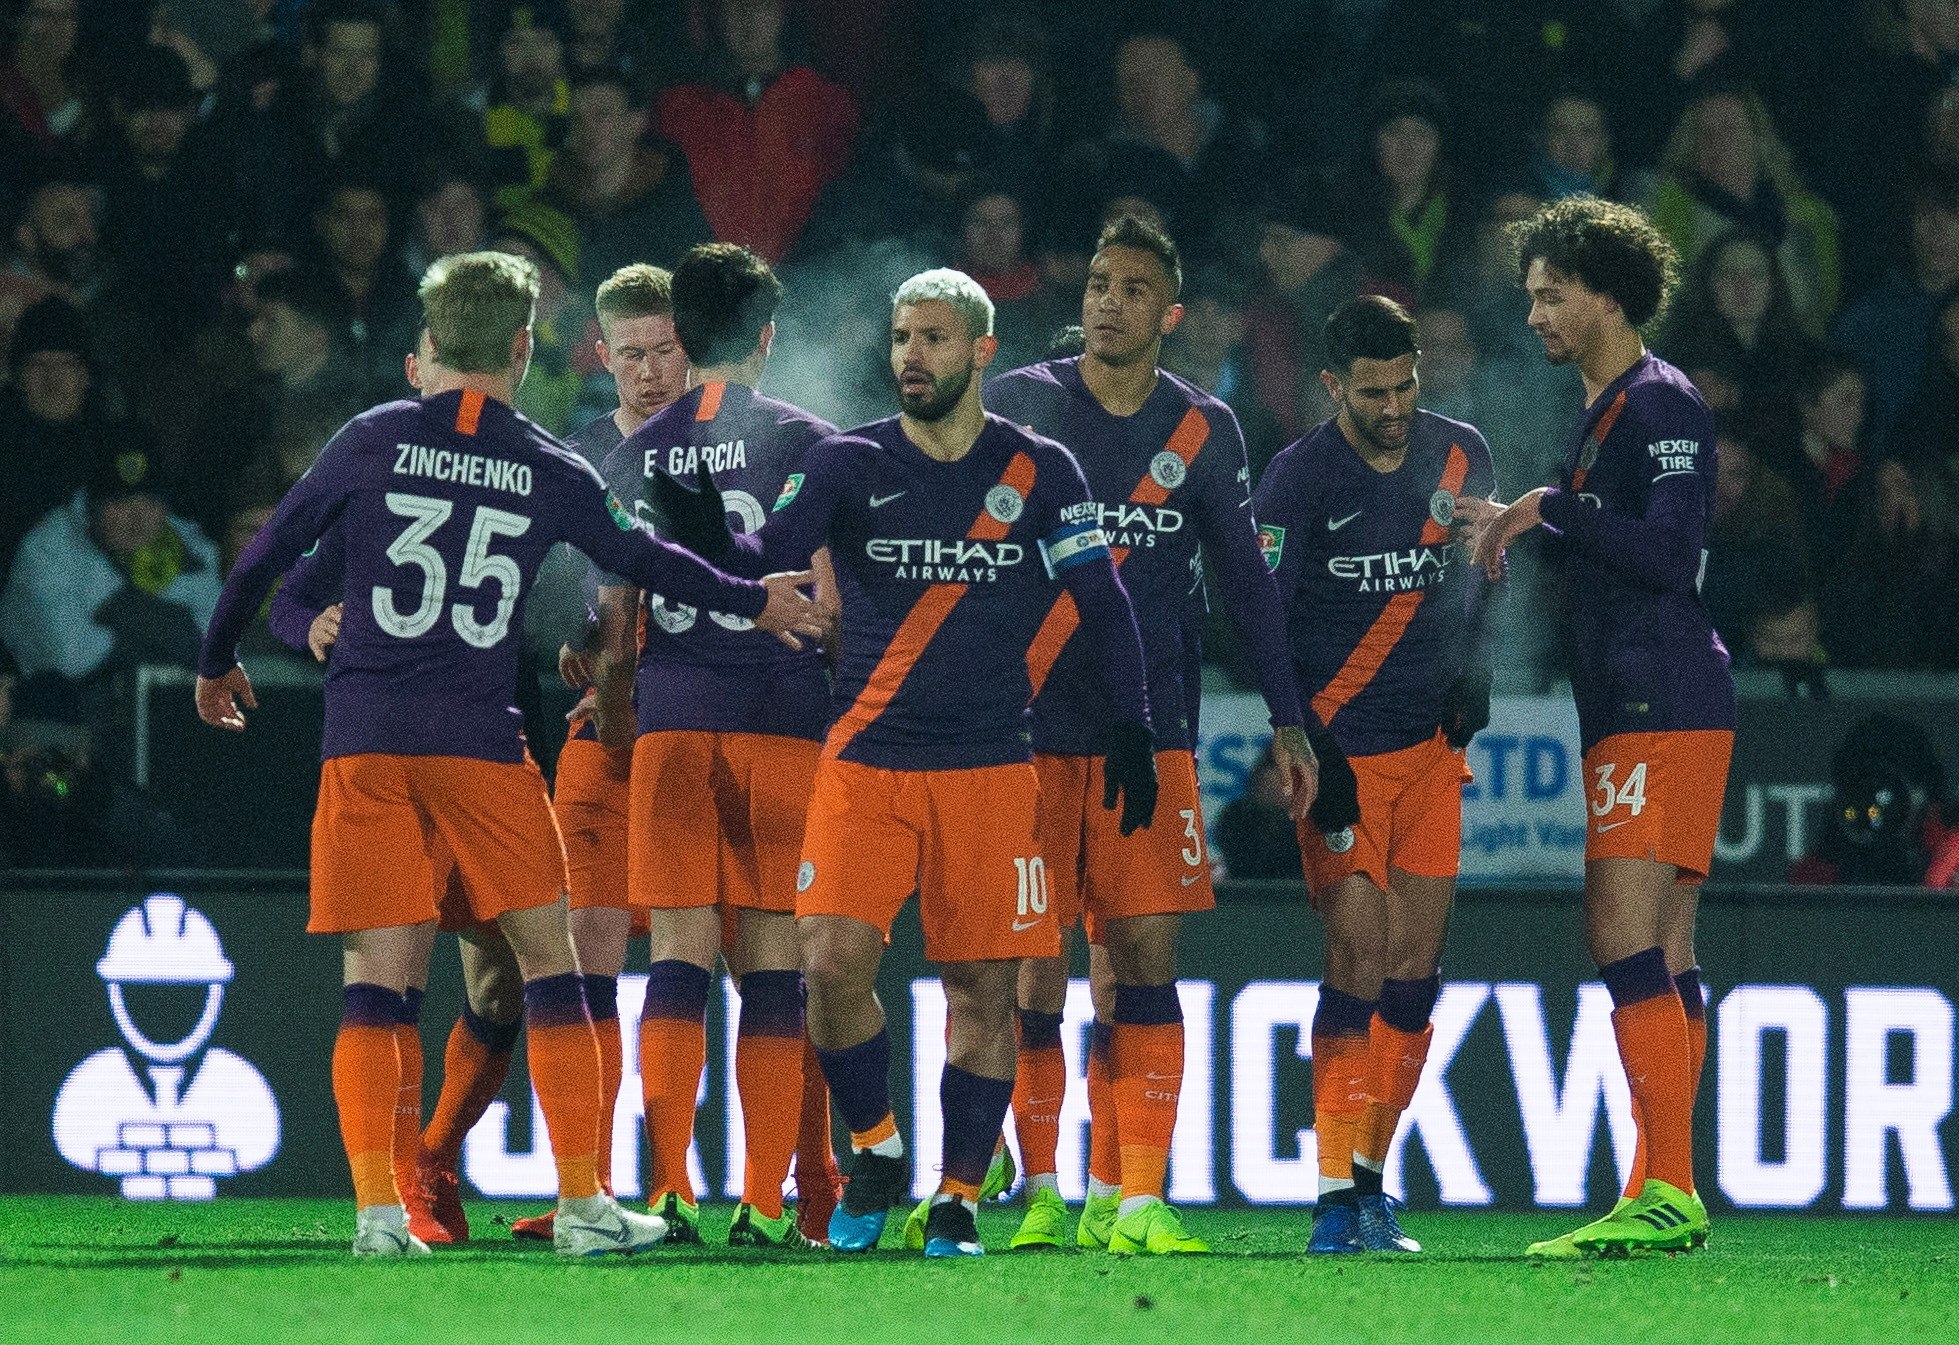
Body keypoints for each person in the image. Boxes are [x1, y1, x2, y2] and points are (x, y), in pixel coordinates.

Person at [190, 249, 823, 1258]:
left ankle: (379, 1215)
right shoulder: (548, 464)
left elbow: (268, 554)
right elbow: (648, 560)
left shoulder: (371, 439)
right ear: (526, 348)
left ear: (434, 346)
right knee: (551, 967)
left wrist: (217, 657)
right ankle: (582, 1202)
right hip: (482, 746)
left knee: (380, 984)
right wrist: (756, 597)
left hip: (366, 744)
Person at [651, 266, 1156, 1259]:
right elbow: (773, 552)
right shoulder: (846, 463)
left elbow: (1106, 606)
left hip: (989, 768)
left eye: (930, 338)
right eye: (898, 339)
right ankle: (876, 1147)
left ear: (980, 350)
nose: (909, 357)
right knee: (829, 964)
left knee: (982, 987)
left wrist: (1134, 726)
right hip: (864, 763)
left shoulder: (1041, 468)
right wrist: (713, 533)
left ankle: (960, 1196)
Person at [979, 217, 1316, 1257]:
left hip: (1151, 729)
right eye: (1095, 282)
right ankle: (1039, 1181)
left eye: (1132, 288)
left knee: (1142, 960)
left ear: (1170, 314)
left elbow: (1249, 589)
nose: (1107, 301)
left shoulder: (1205, 429)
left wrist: (1289, 718)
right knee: (1031, 962)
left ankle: (1134, 1196)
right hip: (1030, 725)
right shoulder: (1025, 403)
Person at [1460, 195, 1734, 1258]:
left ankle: (1668, 1185)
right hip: (1653, 696)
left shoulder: (1660, 406)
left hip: (1654, 697)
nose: (1533, 313)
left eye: (1550, 294)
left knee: (1622, 935)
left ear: (1607, 297)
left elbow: (1667, 554)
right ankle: (1658, 1186)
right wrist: (1526, 519)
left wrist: (1550, 508)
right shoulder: (1610, 406)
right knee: (1666, 944)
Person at [585, 243, 838, 1249]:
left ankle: (671, 1186)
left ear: (682, 338)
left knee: (681, 958)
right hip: (783, 720)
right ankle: (768, 1203)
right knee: (774, 964)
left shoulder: (634, 453)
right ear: (769, 336)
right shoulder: (812, 441)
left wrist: (616, 714)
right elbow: (832, 602)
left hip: (676, 721)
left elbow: (614, 615)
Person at [1253, 296, 1494, 1255]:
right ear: (1330, 386)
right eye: (1370, 392)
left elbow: (1482, 575)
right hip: (1342, 756)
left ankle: (1369, 1181)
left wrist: (1473, 678)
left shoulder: (1461, 452)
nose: (1391, 407)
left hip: (1433, 758)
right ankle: (1326, 1201)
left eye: (1403, 386)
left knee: (1412, 978)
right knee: (1354, 957)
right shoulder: (1298, 477)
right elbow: (1260, 624)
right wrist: (1306, 736)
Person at [654, 0, 859, 263]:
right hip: (706, 276)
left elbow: (848, 198)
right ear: (718, 15)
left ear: (781, 13)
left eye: (761, 6)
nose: (748, 18)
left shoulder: (825, 104)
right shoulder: (679, 108)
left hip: (808, 277)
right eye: (735, 6)